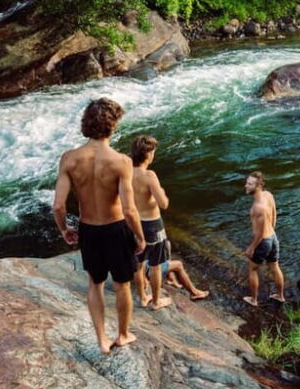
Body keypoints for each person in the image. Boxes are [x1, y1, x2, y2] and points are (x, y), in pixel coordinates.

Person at [53, 97, 146, 354]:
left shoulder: (69, 159)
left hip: (88, 229)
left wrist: (64, 229)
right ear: (112, 125)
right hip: (116, 228)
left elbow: (58, 206)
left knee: (95, 283)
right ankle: (124, 334)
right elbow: (129, 209)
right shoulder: (121, 162)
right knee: (122, 284)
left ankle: (102, 340)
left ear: (86, 123)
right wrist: (140, 236)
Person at [131, 135, 209, 309]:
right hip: (152, 225)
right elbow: (163, 204)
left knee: (139, 263)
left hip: (135, 224)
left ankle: (143, 297)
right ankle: (156, 301)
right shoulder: (149, 175)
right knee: (156, 264)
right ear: (148, 154)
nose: (154, 155)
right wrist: (162, 192)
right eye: (153, 152)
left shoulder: (127, 172)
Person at [242, 171, 285, 306]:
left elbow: (259, 234)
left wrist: (251, 248)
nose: (246, 186)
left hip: (263, 242)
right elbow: (274, 215)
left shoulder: (257, 208)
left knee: (252, 269)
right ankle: (280, 296)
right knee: (274, 267)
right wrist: (271, 230)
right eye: (247, 183)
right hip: (273, 237)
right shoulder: (268, 195)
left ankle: (253, 300)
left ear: (258, 186)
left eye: (250, 184)